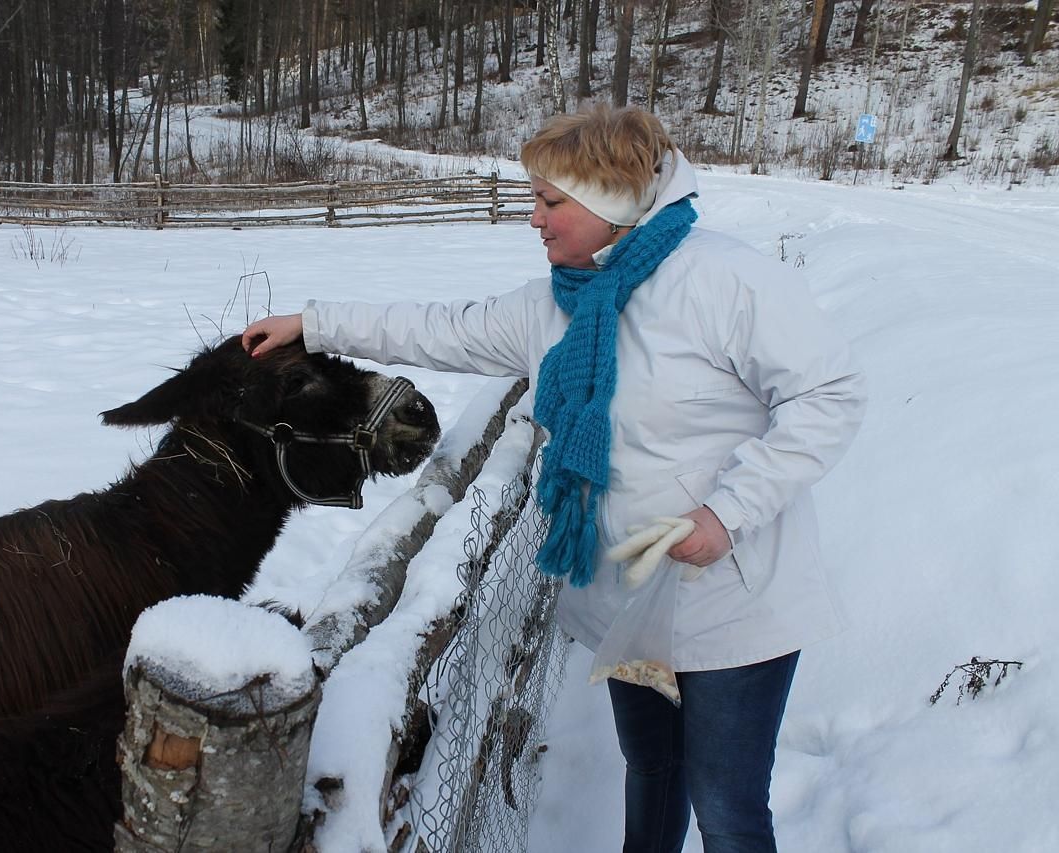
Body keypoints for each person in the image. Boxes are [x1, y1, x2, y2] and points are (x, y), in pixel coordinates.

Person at [242, 103, 865, 853]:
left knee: (727, 805)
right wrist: (313, 324)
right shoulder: (554, 306)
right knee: (652, 768)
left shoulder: (726, 282)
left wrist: (727, 512)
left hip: (731, 600)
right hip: (623, 597)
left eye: (550, 202)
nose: (534, 220)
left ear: (608, 204)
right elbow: (440, 327)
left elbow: (828, 397)